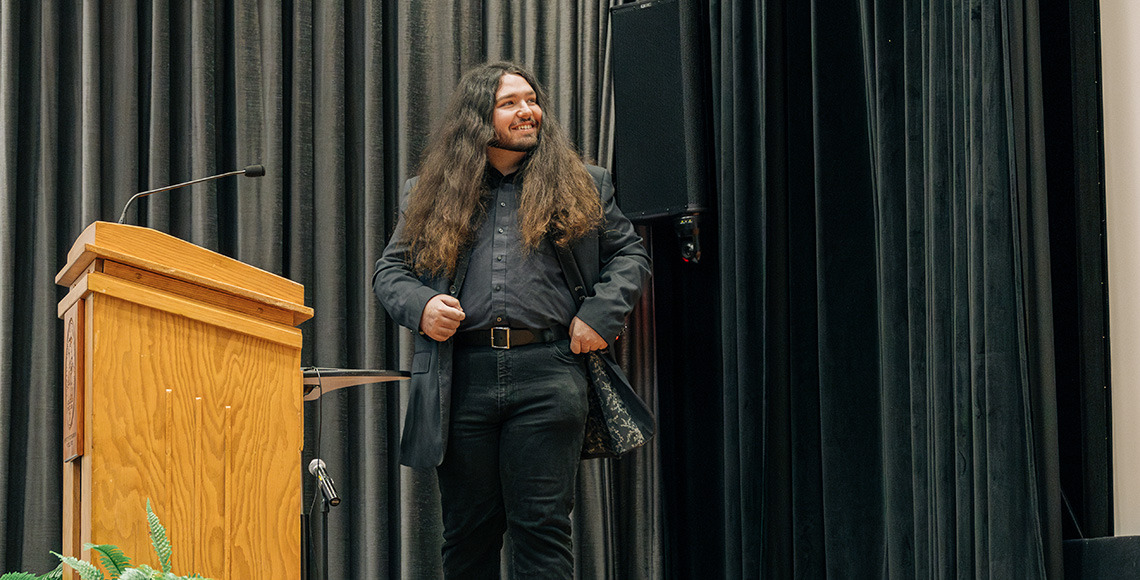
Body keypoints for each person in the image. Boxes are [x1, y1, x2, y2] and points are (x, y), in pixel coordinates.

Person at [372, 61, 651, 578]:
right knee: (467, 533)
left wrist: (599, 314)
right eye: (510, 103)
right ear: (480, 119)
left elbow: (629, 256)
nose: (528, 111)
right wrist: (422, 306)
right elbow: (390, 271)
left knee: (542, 528)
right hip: (461, 377)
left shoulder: (585, 183)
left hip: (549, 372)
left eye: (531, 99)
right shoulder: (428, 191)